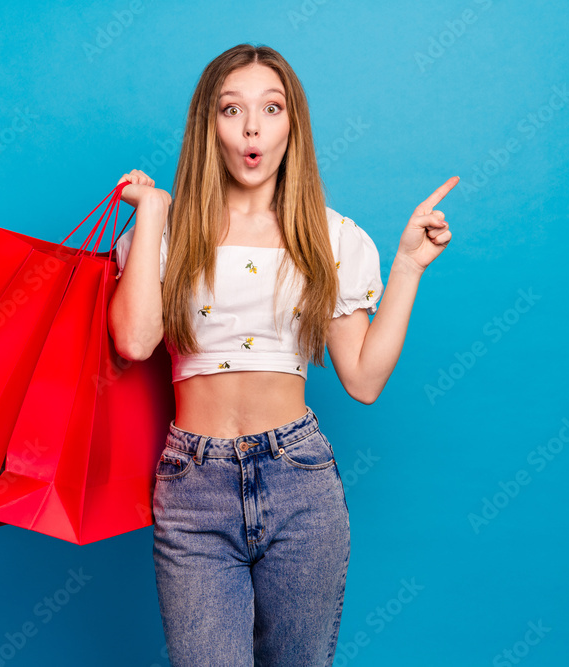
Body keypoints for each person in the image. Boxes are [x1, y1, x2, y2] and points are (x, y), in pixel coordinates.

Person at [107, 43, 456, 666]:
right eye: (231, 109)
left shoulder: (330, 236)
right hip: (193, 487)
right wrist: (156, 209)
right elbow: (134, 342)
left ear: (292, 123)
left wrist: (407, 266)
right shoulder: (166, 229)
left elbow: (365, 380)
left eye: (271, 108)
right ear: (206, 126)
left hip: (299, 481)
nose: (251, 128)